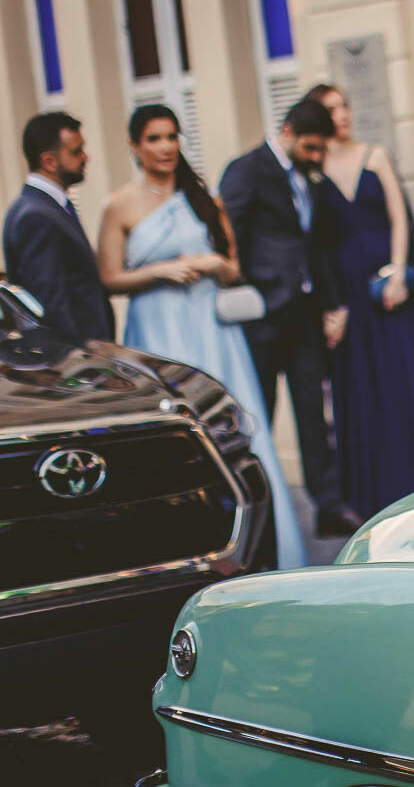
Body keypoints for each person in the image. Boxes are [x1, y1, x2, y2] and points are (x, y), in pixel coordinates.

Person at [96, 105, 306, 567]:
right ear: (134, 145)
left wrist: (213, 264)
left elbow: (234, 269)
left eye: (172, 136)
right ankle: (182, 548)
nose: (166, 147)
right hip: (157, 326)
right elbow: (109, 277)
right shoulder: (120, 204)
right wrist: (160, 271)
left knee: (233, 425)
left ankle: (264, 548)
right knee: (174, 431)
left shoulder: (202, 194)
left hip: (213, 332)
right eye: (154, 138)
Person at [312, 83, 414, 516]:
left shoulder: (374, 156)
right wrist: (332, 304)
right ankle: (374, 493)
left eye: (344, 106)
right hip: (348, 293)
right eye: (331, 109)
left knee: (405, 380)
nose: (341, 115)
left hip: (389, 288)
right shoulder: (315, 168)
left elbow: (401, 218)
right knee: (362, 386)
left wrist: (398, 271)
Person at [219, 100, 364, 538]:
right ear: (288, 131)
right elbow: (230, 235)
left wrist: (330, 304)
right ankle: (260, 510)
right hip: (263, 315)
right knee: (258, 413)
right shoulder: (246, 169)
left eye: (321, 149)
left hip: (303, 316)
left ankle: (328, 507)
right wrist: (248, 287)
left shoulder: (307, 176)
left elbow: (314, 245)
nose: (318, 157)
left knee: (312, 415)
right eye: (311, 147)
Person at [3, 112, 114, 341]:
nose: (86, 157)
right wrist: (78, 359)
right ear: (49, 161)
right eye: (76, 151)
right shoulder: (35, 216)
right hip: (76, 360)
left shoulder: (49, 206)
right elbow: (51, 304)